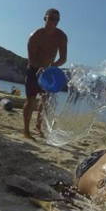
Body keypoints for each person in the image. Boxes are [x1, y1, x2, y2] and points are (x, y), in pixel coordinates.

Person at [23, 8, 67, 140]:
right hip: (33, 70)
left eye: (57, 20)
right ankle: (26, 131)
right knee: (31, 101)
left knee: (45, 100)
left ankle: (38, 125)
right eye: (51, 18)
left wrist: (51, 67)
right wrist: (39, 67)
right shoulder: (36, 35)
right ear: (45, 18)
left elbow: (63, 58)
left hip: (48, 71)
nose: (54, 22)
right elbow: (31, 58)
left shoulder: (61, 36)